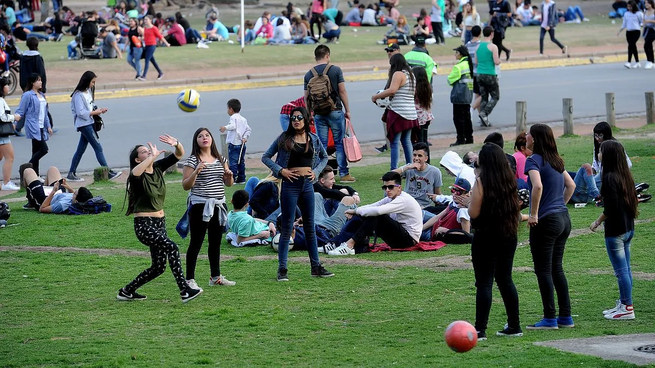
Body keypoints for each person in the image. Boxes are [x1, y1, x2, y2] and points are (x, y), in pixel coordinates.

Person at [118, 134, 203, 303]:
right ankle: (184, 290)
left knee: (158, 267)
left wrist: (176, 143)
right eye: (144, 152)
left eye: (148, 150)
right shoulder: (137, 175)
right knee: (172, 247)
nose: (148, 151)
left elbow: (179, 154)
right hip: (144, 224)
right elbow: (135, 173)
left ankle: (127, 291)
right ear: (137, 159)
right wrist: (153, 156)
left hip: (159, 222)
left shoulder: (157, 168)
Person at [261, 106, 334, 281]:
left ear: (306, 119)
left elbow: (324, 157)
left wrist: (316, 171)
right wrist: (281, 171)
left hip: (307, 185)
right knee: (287, 227)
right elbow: (266, 157)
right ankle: (282, 269)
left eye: (300, 117)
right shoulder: (284, 138)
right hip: (290, 185)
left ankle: (316, 267)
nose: (296, 120)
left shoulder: (313, 139)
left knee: (310, 227)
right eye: (293, 118)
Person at [524, 124, 576, 330]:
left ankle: (549, 318)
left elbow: (537, 185)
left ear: (534, 139)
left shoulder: (533, 160)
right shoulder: (556, 161)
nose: (525, 136)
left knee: (543, 270)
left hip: (546, 221)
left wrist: (534, 213)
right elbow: (570, 185)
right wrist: (560, 205)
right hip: (563, 218)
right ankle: (566, 317)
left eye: (528, 133)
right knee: (557, 269)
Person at [469, 143, 522, 340]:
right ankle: (514, 325)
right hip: (508, 235)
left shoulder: (481, 182)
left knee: (484, 283)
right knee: (505, 279)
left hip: (486, 236)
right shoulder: (509, 179)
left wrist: (471, 198)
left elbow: (473, 212)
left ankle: (480, 329)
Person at [181, 127, 235, 290]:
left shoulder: (221, 159)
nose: (204, 138)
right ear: (196, 141)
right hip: (200, 206)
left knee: (215, 242)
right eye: (200, 136)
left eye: (207, 135)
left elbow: (227, 184)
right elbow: (185, 185)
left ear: (211, 139)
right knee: (196, 242)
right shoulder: (192, 160)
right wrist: (196, 172)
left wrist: (230, 177)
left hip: (219, 205)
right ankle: (189, 279)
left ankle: (215, 276)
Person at [590, 140, 638, 320]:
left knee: (621, 271)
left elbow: (611, 208)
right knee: (626, 269)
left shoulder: (609, 177)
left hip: (616, 231)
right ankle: (625, 302)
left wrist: (597, 222)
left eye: (601, 151)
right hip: (627, 229)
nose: (598, 154)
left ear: (608, 155)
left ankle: (627, 307)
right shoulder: (624, 174)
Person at [327, 171, 423, 255]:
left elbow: (378, 211)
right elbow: (373, 205)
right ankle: (338, 242)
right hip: (400, 235)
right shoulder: (391, 198)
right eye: (385, 187)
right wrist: (356, 212)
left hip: (409, 240)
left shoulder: (403, 200)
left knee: (376, 216)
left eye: (390, 187)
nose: (387, 190)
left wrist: (355, 211)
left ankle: (349, 245)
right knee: (366, 215)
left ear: (399, 188)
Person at [304, 45, 355, 182]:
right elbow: (342, 91)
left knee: (322, 144)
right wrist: (347, 110)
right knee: (339, 143)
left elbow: (306, 97)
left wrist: (309, 114)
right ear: (327, 55)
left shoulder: (309, 74)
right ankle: (343, 173)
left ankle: (321, 174)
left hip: (319, 113)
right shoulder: (335, 70)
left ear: (316, 57)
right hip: (335, 110)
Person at [67, 71, 121, 182]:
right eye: (92, 82)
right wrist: (95, 113)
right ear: (86, 81)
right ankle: (108, 172)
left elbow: (91, 106)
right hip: (84, 124)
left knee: (80, 150)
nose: (93, 84)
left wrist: (99, 110)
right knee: (98, 147)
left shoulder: (87, 92)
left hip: (89, 123)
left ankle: (71, 173)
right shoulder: (78, 95)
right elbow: (80, 113)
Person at [15, 73, 50, 176]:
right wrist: (14, 122)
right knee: (44, 149)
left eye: (40, 80)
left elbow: (45, 113)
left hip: (41, 126)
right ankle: (26, 169)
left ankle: (35, 175)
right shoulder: (28, 95)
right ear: (32, 82)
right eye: (38, 80)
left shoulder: (42, 95)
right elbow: (20, 110)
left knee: (36, 151)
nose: (41, 82)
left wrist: (48, 126)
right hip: (33, 126)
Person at [21, 166, 94, 213]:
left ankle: (31, 201)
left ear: (76, 201)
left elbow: (42, 209)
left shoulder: (62, 205)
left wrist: (53, 191)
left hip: (45, 199)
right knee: (53, 169)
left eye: (75, 193)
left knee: (28, 171)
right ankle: (42, 186)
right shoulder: (79, 200)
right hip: (59, 193)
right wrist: (68, 187)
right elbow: (74, 195)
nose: (73, 193)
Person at [393, 142, 443, 210]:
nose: (416, 158)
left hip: (425, 207)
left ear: (426, 158)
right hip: (407, 205)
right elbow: (388, 176)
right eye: (414, 155)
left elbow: (437, 193)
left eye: (420, 156)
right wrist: (406, 168)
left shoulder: (435, 172)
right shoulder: (409, 167)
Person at [219, 99, 251, 185]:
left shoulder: (233, 117)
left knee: (233, 162)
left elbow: (232, 126)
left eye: (227, 108)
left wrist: (224, 128)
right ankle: (241, 178)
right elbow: (248, 129)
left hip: (234, 143)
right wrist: (245, 137)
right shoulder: (243, 119)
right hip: (242, 144)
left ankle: (232, 178)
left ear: (231, 109)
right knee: (241, 161)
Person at [448, 45, 474, 147]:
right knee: (467, 118)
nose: (455, 54)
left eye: (456, 53)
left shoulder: (459, 66)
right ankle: (469, 138)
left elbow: (450, 80)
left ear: (460, 54)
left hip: (459, 96)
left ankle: (460, 139)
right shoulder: (470, 64)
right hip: (468, 95)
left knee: (458, 119)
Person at [476, 26, 501, 128]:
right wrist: (499, 61)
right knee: (495, 96)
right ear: (491, 34)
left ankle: (483, 120)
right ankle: (484, 113)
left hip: (479, 74)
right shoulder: (493, 47)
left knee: (484, 97)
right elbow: (496, 61)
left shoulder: (478, 46)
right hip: (489, 74)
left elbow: (476, 61)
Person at [0, 76, 20, 191]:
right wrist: (14, 117)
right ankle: (6, 182)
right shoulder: (0, 100)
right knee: (10, 157)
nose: (8, 87)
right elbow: (2, 116)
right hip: (2, 135)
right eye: (6, 85)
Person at [141, 15, 169, 81]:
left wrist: (166, 43)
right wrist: (141, 39)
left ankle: (144, 76)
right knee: (152, 61)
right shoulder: (145, 28)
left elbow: (160, 36)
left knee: (147, 59)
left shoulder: (154, 28)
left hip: (152, 45)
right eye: (144, 19)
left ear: (150, 20)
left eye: (146, 19)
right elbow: (145, 37)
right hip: (147, 46)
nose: (145, 21)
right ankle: (160, 72)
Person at [618, 1, 644, 69]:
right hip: (629, 32)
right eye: (628, 6)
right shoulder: (626, 13)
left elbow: (642, 21)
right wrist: (620, 31)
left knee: (631, 45)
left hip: (636, 31)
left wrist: (641, 25)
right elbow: (624, 23)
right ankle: (637, 62)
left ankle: (629, 62)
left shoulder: (639, 13)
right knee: (633, 46)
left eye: (630, 6)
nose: (629, 8)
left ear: (633, 6)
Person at [413, 66, 433, 144]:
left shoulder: (415, 89)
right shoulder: (427, 87)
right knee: (424, 140)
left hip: (417, 118)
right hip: (426, 116)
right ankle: (426, 155)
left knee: (418, 141)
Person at [467, 25, 483, 117]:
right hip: (480, 71)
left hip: (472, 72)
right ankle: (472, 108)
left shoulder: (468, 45)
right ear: (480, 33)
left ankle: (481, 115)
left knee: (477, 94)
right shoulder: (481, 45)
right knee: (484, 94)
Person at [644, 0, 655, 69]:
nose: (646, 4)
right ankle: (652, 62)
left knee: (646, 45)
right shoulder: (645, 11)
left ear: (651, 4)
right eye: (645, 3)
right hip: (647, 30)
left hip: (653, 30)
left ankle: (649, 61)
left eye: (648, 3)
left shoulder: (654, 11)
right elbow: (643, 20)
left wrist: (649, 21)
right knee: (649, 46)